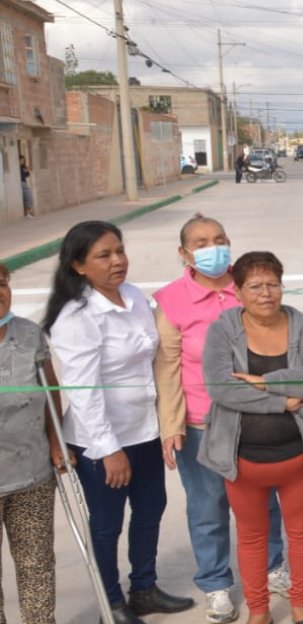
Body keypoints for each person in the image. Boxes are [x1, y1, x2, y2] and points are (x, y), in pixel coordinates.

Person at [43, 221, 194, 624]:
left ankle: (143, 589)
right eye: (104, 255)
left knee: (151, 509)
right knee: (108, 523)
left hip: (144, 429)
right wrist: (109, 450)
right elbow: (84, 391)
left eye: (120, 250)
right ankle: (110, 602)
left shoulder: (133, 297)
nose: (118, 261)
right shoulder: (77, 316)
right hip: (101, 441)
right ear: (78, 266)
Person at [153, 215, 289, 623]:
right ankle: (215, 584)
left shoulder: (249, 286)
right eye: (200, 242)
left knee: (264, 502)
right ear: (184, 253)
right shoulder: (171, 300)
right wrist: (172, 425)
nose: (212, 247)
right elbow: (167, 367)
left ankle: (272, 566)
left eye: (219, 239)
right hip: (201, 424)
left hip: (255, 419)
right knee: (207, 507)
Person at [199, 251, 303, 624]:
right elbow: (220, 387)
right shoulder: (224, 329)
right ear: (238, 292)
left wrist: (267, 381)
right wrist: (286, 401)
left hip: (298, 457)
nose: (266, 293)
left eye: (273, 284)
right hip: (243, 460)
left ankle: (301, 606)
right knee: (252, 537)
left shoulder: (302, 325)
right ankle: (259, 611)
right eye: (255, 286)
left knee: (302, 534)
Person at [0, 262, 66, 624]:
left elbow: (50, 392)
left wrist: (56, 442)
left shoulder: (28, 334)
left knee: (37, 563)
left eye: (2, 282)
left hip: (33, 472)